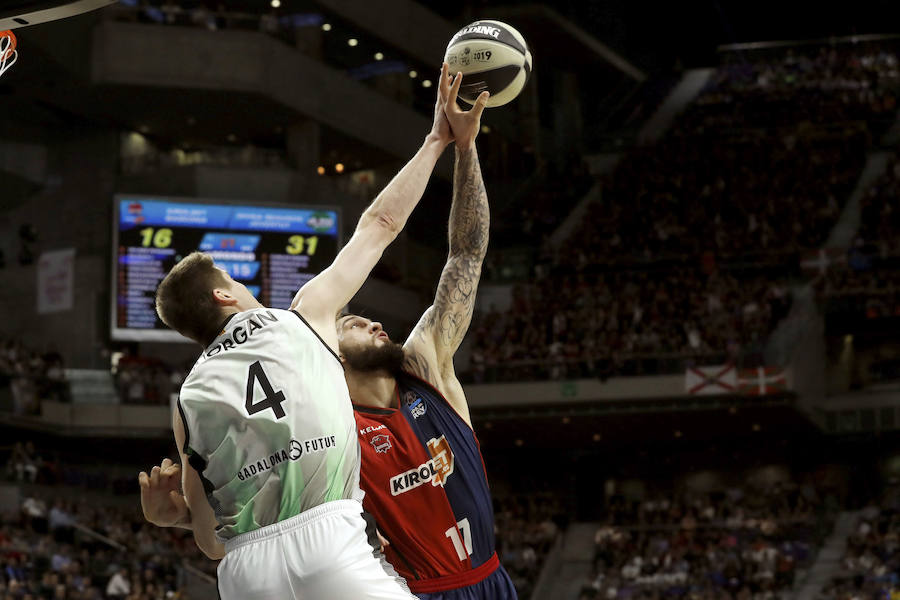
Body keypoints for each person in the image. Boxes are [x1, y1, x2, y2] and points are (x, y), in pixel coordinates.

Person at [138, 63, 472, 600]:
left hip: (246, 574)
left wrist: (169, 516)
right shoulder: (302, 316)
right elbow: (380, 226)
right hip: (328, 543)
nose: (243, 284)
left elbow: (210, 541)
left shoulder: (188, 401)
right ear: (224, 295)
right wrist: (436, 140)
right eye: (234, 279)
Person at [338, 68, 517, 599]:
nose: (373, 321)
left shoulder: (425, 367)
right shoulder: (333, 425)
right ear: (331, 353)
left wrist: (465, 149)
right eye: (352, 323)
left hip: (492, 579)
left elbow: (466, 253)